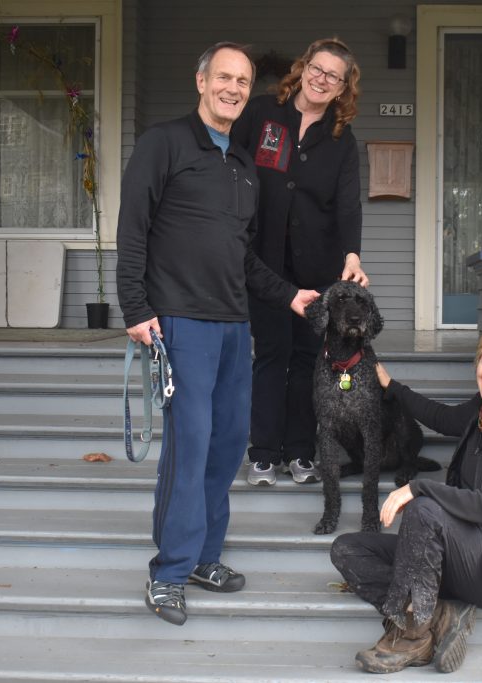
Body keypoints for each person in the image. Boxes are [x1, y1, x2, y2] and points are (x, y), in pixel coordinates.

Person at [116, 42, 318, 627]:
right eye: (223, 77)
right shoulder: (165, 144)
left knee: (229, 446)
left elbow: (244, 258)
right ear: (201, 80)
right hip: (178, 322)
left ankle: (205, 556)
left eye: (243, 81)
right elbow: (133, 229)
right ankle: (170, 573)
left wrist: (288, 295)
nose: (233, 88)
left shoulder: (244, 165)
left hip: (234, 326)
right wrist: (134, 307)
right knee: (193, 446)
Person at [330, 323, 482, 674]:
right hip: (461, 553)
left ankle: (412, 636)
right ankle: (438, 614)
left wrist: (419, 487)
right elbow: (440, 417)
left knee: (424, 509)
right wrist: (393, 388)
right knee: (348, 550)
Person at [230, 38, 367, 487]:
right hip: (265, 261)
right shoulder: (263, 113)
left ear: (344, 86)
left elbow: (348, 204)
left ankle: (302, 452)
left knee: (309, 358)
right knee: (271, 353)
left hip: (317, 266)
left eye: (333, 75)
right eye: (316, 68)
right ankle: (265, 453)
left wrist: (351, 252)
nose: (321, 79)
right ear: (303, 67)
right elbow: (232, 167)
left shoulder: (342, 140)